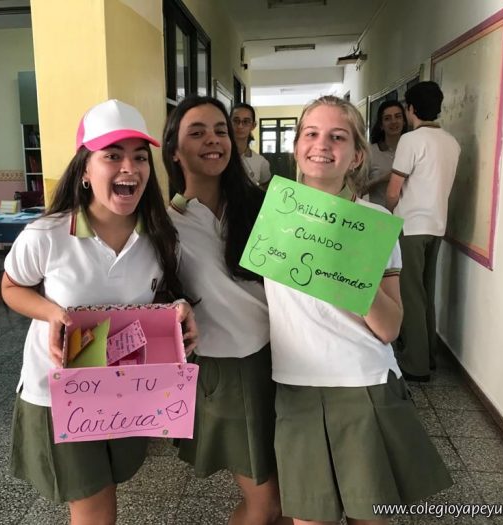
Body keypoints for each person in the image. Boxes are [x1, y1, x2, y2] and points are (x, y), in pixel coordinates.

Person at [1, 99, 197, 525]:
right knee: (94, 509)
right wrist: (51, 313)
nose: (130, 168)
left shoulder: (161, 236)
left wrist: (179, 311)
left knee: (107, 491)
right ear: (85, 171)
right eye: (112, 156)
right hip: (59, 393)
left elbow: (162, 296)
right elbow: (11, 287)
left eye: (140, 157)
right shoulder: (46, 235)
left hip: (126, 391)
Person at [265, 95, 451, 525]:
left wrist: (349, 270)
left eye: (337, 136)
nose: (321, 144)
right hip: (296, 386)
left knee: (368, 516)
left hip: (363, 383)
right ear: (296, 147)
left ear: (356, 155)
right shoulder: (273, 214)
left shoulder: (373, 223)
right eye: (311, 134)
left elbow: (390, 328)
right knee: (309, 519)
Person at [163, 95, 285, 524]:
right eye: (197, 132)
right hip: (227, 370)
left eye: (220, 130)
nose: (213, 140)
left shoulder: (264, 206)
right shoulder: (165, 224)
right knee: (266, 503)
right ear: (174, 151)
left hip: (288, 361)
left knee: (293, 499)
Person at [385, 81, 460, 381]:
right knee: (426, 292)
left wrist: (388, 211)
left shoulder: (411, 141)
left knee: (410, 294)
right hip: (437, 226)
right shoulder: (451, 142)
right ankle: (428, 356)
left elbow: (393, 191)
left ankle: (415, 364)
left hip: (411, 226)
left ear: (411, 108)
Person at [364, 100, 407, 207]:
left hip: (409, 214)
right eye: (387, 118)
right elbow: (357, 189)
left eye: (398, 116)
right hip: (380, 214)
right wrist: (381, 179)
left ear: (404, 121)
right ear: (381, 125)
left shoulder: (413, 149)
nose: (393, 121)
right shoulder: (370, 152)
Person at [231, 102, 272, 190]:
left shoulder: (261, 163)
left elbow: (265, 193)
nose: (240, 126)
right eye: (236, 121)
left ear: (253, 126)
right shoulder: (219, 157)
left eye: (246, 121)